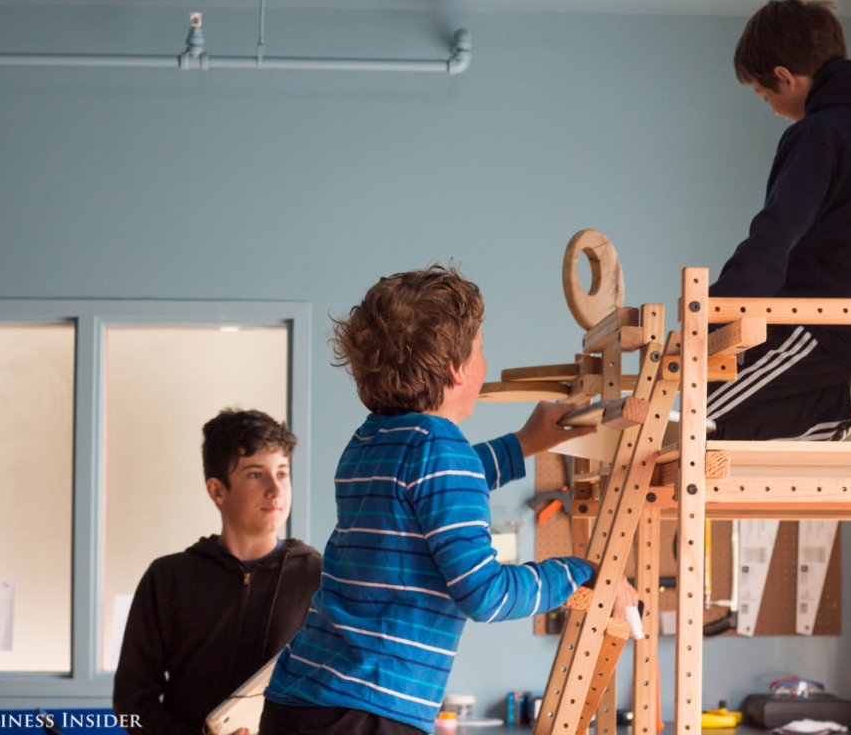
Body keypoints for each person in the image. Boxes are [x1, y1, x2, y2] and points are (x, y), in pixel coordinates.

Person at [261, 265, 638, 735]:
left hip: (301, 699)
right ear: (458, 370)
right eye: (481, 349)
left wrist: (525, 442)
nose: (485, 362)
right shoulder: (441, 448)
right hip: (367, 709)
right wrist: (578, 570)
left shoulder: (372, 441)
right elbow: (486, 595)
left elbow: (437, 487)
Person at [707, 0, 851, 442]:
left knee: (696, 415)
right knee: (717, 418)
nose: (771, 108)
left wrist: (714, 311)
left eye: (765, 95)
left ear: (786, 77)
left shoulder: (820, 132)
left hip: (825, 322)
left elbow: (776, 233)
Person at [113, 408, 322, 735]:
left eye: (282, 472)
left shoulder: (319, 577)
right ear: (217, 490)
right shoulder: (168, 579)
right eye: (256, 474)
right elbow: (131, 704)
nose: (275, 489)